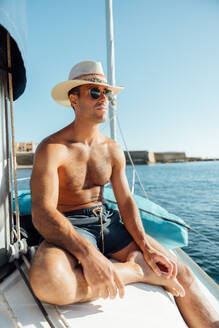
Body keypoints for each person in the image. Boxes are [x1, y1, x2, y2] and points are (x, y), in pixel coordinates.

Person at [29, 61, 219, 328]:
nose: (103, 98)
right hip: (71, 225)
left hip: (108, 221)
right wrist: (88, 254)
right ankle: (136, 270)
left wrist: (144, 244)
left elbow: (125, 201)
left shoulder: (112, 149)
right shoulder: (53, 148)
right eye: (94, 92)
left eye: (106, 93)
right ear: (74, 99)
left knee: (181, 272)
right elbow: (42, 212)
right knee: (49, 281)